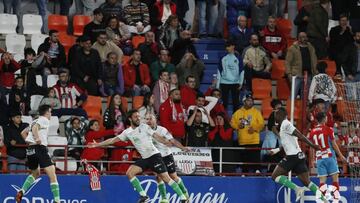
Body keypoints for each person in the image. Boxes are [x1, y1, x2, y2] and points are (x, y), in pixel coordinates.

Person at [88, 109, 189, 203]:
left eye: (139, 116)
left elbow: (155, 136)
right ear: (130, 119)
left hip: (154, 156)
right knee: (130, 173)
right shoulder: (127, 132)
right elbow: (112, 140)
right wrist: (97, 144)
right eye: (136, 117)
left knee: (166, 178)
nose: (138, 118)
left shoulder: (144, 127)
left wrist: (165, 141)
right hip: (145, 158)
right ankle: (144, 196)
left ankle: (183, 198)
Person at [271, 107, 325, 202]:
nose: (274, 116)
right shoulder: (284, 126)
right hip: (299, 156)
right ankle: (324, 200)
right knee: (307, 182)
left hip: (292, 157)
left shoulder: (286, 124)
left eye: (276, 114)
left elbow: (299, 135)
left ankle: (297, 189)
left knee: (275, 176)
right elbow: (289, 142)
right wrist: (277, 150)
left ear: (280, 115)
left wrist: (312, 145)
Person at [16, 105, 60, 203]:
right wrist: (37, 139)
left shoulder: (34, 121)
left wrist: (30, 142)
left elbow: (23, 133)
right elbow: (36, 128)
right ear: (47, 112)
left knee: (35, 173)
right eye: (50, 112)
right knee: (52, 175)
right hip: (39, 148)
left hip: (30, 149)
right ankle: (57, 200)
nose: (51, 114)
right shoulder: (44, 120)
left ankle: (22, 191)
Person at [145, 113, 190, 202]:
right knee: (158, 176)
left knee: (173, 176)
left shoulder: (163, 130)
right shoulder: (145, 131)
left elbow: (172, 141)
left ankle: (184, 192)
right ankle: (164, 198)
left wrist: (183, 148)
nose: (148, 121)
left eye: (151, 118)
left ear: (156, 120)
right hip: (156, 157)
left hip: (166, 156)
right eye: (147, 119)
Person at [309, 112, 347, 202]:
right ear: (324, 118)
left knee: (322, 181)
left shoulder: (312, 131)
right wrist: (341, 156)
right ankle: (336, 200)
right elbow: (334, 145)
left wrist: (311, 159)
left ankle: (323, 201)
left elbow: (311, 147)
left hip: (319, 159)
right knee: (335, 179)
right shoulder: (329, 129)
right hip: (329, 157)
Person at [230, 93, 265, 173]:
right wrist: (238, 126)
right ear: (244, 101)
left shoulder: (256, 112)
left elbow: (262, 124)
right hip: (242, 141)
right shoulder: (237, 112)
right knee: (244, 162)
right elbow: (232, 123)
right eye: (248, 100)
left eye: (251, 101)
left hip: (254, 141)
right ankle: (244, 174)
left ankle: (257, 172)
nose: (250, 102)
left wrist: (255, 128)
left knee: (255, 161)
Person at [285, 32, 317, 98]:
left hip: (309, 75)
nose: (304, 38)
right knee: (293, 95)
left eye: (305, 37)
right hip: (296, 75)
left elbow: (314, 60)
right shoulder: (292, 48)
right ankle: (290, 107)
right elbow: (288, 62)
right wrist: (289, 74)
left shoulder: (311, 48)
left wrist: (315, 71)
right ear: (298, 38)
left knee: (306, 97)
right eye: (302, 37)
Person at [217, 40, 243, 112]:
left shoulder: (238, 57)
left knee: (236, 103)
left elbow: (241, 71)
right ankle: (224, 119)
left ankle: (235, 119)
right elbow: (219, 71)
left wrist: (240, 82)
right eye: (226, 47)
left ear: (233, 46)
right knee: (224, 103)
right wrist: (217, 85)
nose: (227, 48)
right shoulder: (222, 57)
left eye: (228, 46)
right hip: (224, 83)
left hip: (235, 83)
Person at [260, 99, 282, 172]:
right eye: (278, 106)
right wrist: (279, 136)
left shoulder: (280, 115)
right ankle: (270, 172)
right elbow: (273, 128)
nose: (279, 107)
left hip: (276, 140)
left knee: (277, 157)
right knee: (272, 157)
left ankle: (274, 171)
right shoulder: (273, 114)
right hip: (273, 139)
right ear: (274, 107)